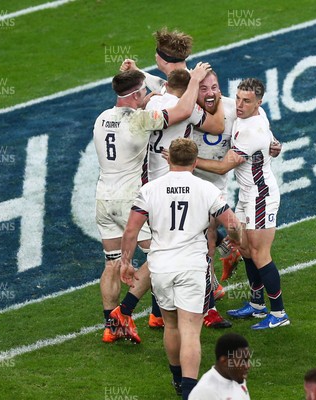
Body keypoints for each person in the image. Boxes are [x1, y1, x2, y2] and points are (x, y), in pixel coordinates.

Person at [93, 63, 211, 343]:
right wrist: (194, 79)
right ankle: (125, 312)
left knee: (111, 264)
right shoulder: (140, 119)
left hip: (102, 196)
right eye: (143, 93)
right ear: (135, 96)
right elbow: (182, 111)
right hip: (129, 198)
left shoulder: (100, 118)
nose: (147, 97)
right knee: (158, 255)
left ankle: (111, 326)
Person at [120, 138, 242, 399]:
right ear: (195, 162)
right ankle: (189, 391)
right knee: (190, 331)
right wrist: (236, 242)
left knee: (171, 326)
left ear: (169, 159)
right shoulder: (205, 189)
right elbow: (232, 223)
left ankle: (177, 381)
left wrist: (126, 263)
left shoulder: (150, 189)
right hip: (192, 266)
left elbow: (131, 230)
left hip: (161, 266)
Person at [195, 78, 290, 330]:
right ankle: (257, 305)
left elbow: (223, 166)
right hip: (248, 195)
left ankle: (279, 313)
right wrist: (274, 145)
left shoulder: (250, 131)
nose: (239, 105)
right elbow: (270, 139)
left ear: (258, 102)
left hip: (261, 196)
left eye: (246, 101)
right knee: (245, 249)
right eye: (237, 98)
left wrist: (189, 161)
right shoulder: (256, 116)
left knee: (260, 254)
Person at [189, 333, 252, 400]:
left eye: (247, 360)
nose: (248, 366)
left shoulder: (236, 378)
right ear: (224, 361)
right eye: (242, 361)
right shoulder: (205, 392)